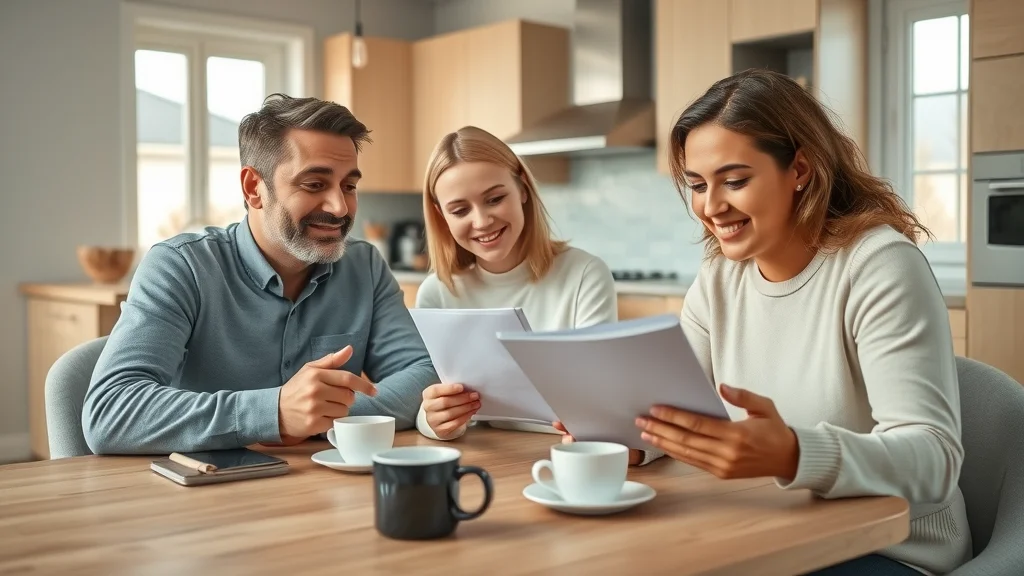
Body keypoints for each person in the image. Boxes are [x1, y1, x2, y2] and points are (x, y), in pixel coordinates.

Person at [627, 69, 971, 574]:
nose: (711, 206)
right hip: (774, 528)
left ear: (800, 169)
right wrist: (625, 437)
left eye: (735, 180)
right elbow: (678, 413)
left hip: (891, 548)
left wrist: (794, 453)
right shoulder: (719, 278)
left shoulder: (879, 265)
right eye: (698, 185)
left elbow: (934, 458)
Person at [83, 94, 438, 455]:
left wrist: (321, 416)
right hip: (204, 494)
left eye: (349, 185)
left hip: (327, 490)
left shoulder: (365, 267)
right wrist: (274, 414)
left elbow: (425, 374)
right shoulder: (180, 267)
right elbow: (112, 412)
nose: (340, 207)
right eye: (314, 184)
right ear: (254, 189)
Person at [411, 126, 661, 464]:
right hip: (488, 461)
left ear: (523, 190)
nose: (482, 220)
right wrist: (434, 419)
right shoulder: (438, 293)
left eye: (495, 198)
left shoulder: (584, 274)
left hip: (568, 456)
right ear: (441, 216)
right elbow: (431, 411)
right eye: (460, 210)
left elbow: (606, 403)